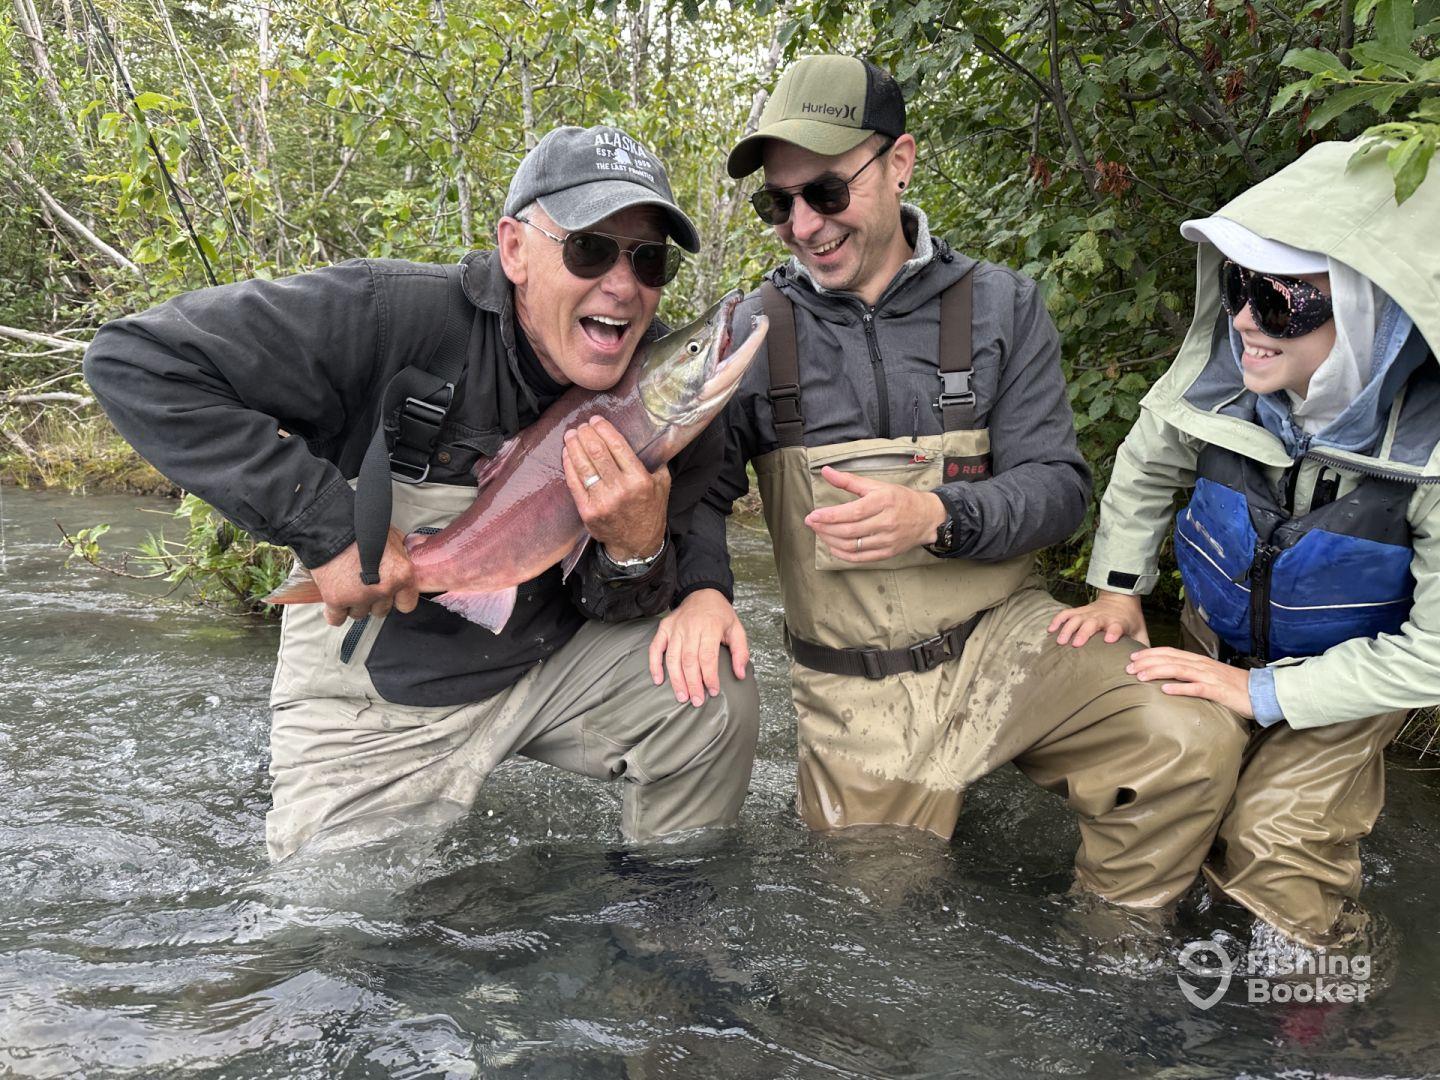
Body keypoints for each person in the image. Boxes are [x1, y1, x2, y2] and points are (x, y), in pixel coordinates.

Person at [653, 54, 1247, 914]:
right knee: (871, 927)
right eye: (778, 204)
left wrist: (939, 514)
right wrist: (705, 590)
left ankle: (1115, 952)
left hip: (1013, 645)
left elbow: (1059, 488)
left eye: (825, 192)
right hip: (857, 684)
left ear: (899, 162)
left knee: (1191, 737)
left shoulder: (1003, 305)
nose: (802, 226)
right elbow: (697, 493)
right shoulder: (752, 329)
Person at [83, 125, 760, 863]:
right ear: (513, 249)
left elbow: (623, 599)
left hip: (546, 658)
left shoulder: (672, 398)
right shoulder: (387, 316)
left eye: (648, 259)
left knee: (709, 692)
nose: (623, 285)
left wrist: (634, 552)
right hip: (378, 687)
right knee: (331, 935)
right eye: (589, 249)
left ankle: (666, 916)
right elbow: (132, 360)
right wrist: (330, 531)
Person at [1051, 139, 1440, 950]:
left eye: (1284, 302)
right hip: (1210, 635)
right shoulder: (1222, 380)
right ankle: (1130, 983)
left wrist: (1263, 695)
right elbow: (1146, 463)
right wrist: (1119, 588)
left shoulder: (1429, 455)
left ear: (1377, 313)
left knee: (1279, 847)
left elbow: (1432, 655)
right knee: (1172, 796)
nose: (1243, 322)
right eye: (1239, 287)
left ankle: (1311, 1018)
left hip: (1351, 675)